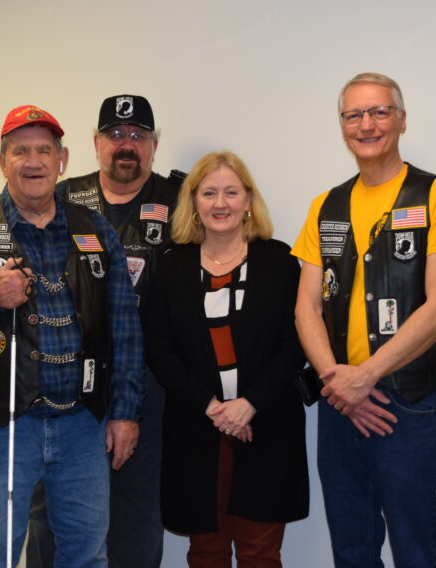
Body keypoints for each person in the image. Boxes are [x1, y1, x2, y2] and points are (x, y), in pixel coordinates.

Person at [0, 104, 144, 567]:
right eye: (21, 151)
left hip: (83, 423)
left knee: (87, 554)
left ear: (63, 159)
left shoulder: (95, 228)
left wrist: (124, 412)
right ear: (2, 162)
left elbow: (125, 327)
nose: (34, 161)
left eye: (45, 150)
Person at [291, 72, 436, 567]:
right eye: (354, 114)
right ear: (342, 126)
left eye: (378, 112)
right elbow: (306, 307)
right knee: (352, 551)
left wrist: (366, 378)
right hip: (339, 406)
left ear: (401, 120)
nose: (366, 124)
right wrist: (341, 386)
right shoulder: (325, 206)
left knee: (416, 552)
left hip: (407, 404)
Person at [27, 94, 182, 568]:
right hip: (64, 378)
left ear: (154, 145)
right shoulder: (61, 197)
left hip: (147, 382)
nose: (126, 145)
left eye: (138, 136)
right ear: (96, 143)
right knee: (52, 509)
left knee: (135, 511)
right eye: (116, 135)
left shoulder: (181, 202)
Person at [143, 150, 308, 567]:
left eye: (231, 192)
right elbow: (159, 350)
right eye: (209, 193)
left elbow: (296, 344)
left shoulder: (280, 262)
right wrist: (215, 409)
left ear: (249, 200)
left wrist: (248, 405)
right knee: (206, 552)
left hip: (267, 425)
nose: (221, 203)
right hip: (197, 429)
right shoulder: (171, 267)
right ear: (193, 202)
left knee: (260, 553)